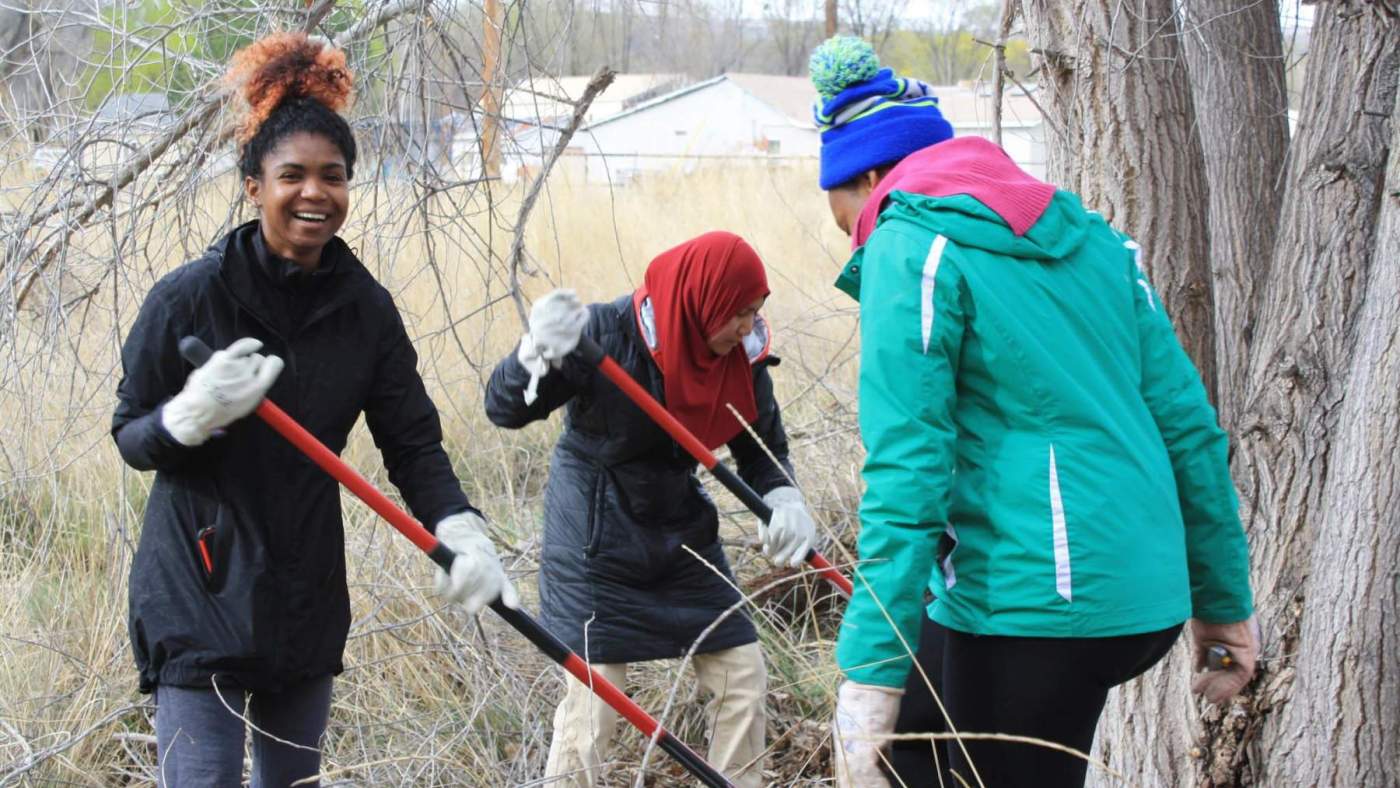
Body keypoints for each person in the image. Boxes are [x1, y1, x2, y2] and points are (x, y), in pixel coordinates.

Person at [804, 37, 1261, 788]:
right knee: (915, 750)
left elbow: (906, 474)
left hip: (1039, 606)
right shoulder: (1098, 244)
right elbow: (1189, 432)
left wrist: (866, 676)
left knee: (952, 742)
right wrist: (1222, 608)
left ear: (873, 176)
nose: (855, 234)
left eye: (847, 215)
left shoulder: (910, 244)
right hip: (1141, 601)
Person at [111, 33, 514, 788]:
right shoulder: (190, 300)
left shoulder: (365, 311)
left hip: (305, 595)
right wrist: (188, 416)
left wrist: (460, 528)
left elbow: (414, 445)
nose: (313, 193)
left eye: (332, 176)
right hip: (199, 592)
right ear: (252, 183)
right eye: (290, 174)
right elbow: (131, 435)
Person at [484, 231, 817, 787]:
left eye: (755, 312)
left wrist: (785, 498)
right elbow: (503, 409)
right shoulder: (603, 333)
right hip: (594, 529)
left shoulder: (741, 355)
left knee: (741, 672)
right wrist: (532, 353)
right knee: (597, 695)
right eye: (738, 313)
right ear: (702, 299)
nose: (746, 326)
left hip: (679, 526)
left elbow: (764, 450)